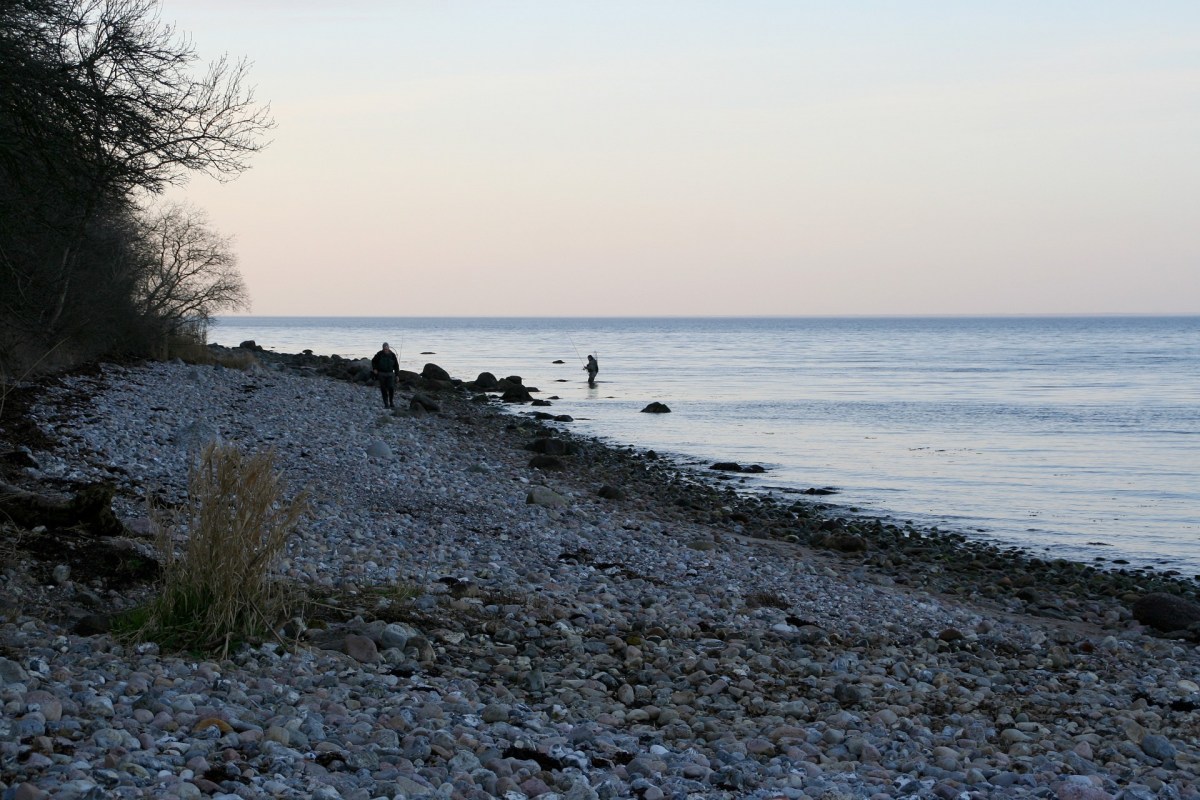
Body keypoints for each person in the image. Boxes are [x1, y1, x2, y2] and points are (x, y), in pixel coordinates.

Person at [371, 342, 400, 408]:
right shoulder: (379, 354)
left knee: (391, 388)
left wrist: (397, 375)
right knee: (383, 388)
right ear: (383, 348)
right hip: (381, 373)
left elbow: (396, 366)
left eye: (386, 349)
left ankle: (391, 402)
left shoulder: (392, 355)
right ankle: (386, 403)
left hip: (390, 373)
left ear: (388, 348)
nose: (385, 350)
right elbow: (373, 361)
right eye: (384, 349)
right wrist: (375, 369)